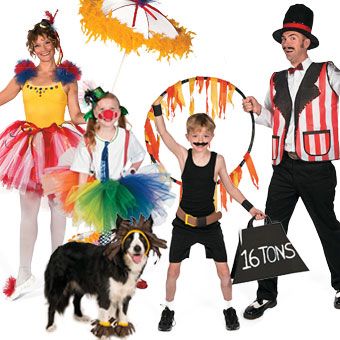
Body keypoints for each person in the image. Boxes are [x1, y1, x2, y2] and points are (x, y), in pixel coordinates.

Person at [242, 4, 340, 319]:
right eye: (284, 36)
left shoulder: (328, 71)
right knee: (270, 229)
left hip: (317, 167)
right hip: (284, 167)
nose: (287, 42)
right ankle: (265, 295)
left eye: (293, 37)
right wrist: (259, 110)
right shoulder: (276, 79)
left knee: (328, 228)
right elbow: (277, 119)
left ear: (306, 42)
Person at [151, 99, 265, 331]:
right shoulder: (183, 156)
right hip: (183, 224)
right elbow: (163, 133)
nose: (200, 141)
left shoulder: (218, 160)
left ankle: (229, 307)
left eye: (205, 136)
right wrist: (157, 108)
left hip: (210, 225)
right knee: (173, 270)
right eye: (196, 137)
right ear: (188, 137)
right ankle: (168, 308)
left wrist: (251, 208)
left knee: (224, 271)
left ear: (212, 137)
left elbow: (231, 189)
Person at [1, 12, 84, 300]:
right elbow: (2, 97)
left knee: (59, 208)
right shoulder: (24, 76)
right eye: (38, 44)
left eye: (48, 42)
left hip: (59, 147)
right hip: (27, 146)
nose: (43, 48)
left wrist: (98, 113)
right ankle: (25, 271)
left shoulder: (67, 79)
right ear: (31, 48)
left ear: (55, 43)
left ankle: (57, 268)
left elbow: (74, 115)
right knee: (28, 211)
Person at [43, 86, 173, 247]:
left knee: (123, 224)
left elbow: (139, 156)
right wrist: (81, 197)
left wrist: (131, 170)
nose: (108, 113)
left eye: (112, 109)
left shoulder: (126, 136)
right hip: (97, 189)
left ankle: (120, 249)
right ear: (96, 114)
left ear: (118, 113)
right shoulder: (88, 140)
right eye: (103, 109)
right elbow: (83, 171)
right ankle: (104, 252)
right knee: (104, 226)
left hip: (121, 187)